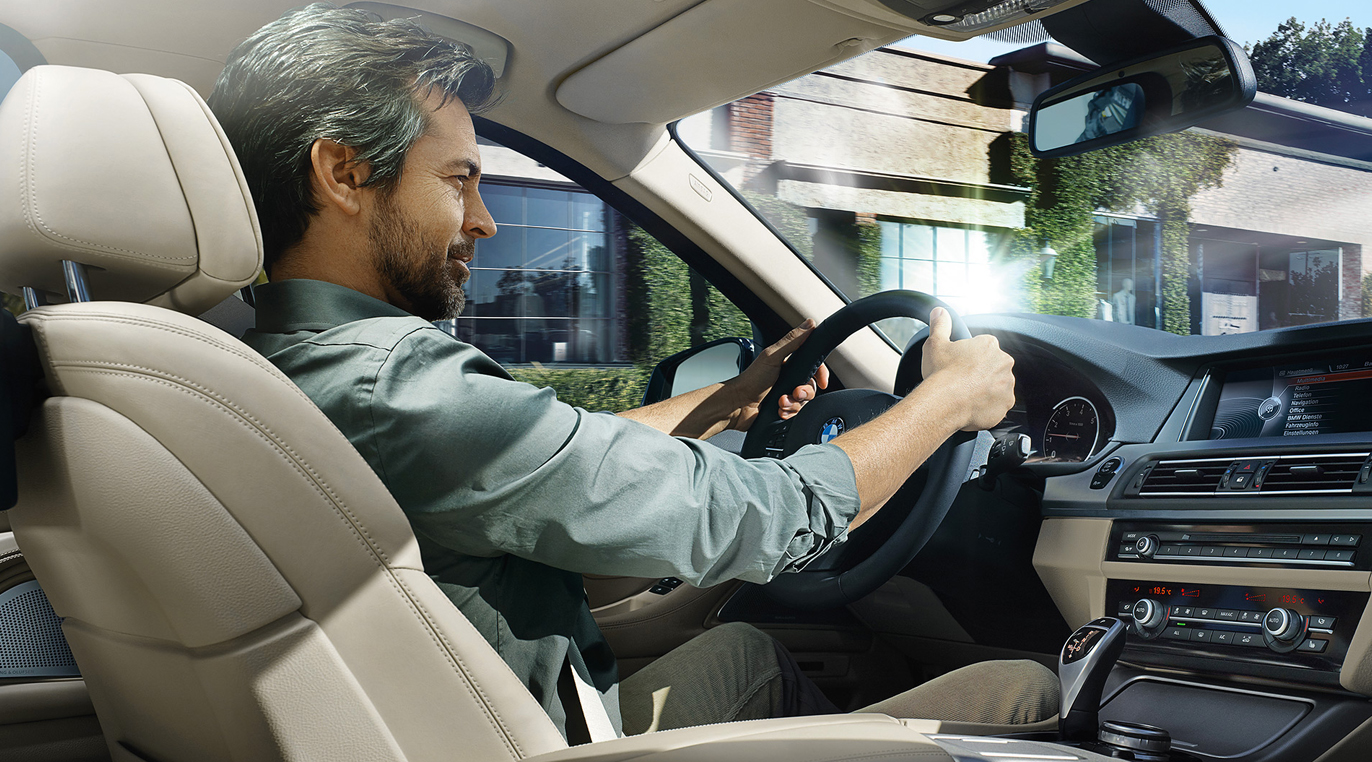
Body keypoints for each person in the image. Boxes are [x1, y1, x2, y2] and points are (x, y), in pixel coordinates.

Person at [209, 3, 1055, 743]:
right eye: (458, 180)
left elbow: (540, 460)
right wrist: (947, 402)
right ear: (343, 173)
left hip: (470, 723)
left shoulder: (262, 366)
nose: (485, 220)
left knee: (746, 651)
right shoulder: (393, 385)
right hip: (527, 739)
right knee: (1026, 689)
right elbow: (761, 517)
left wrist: (727, 403)